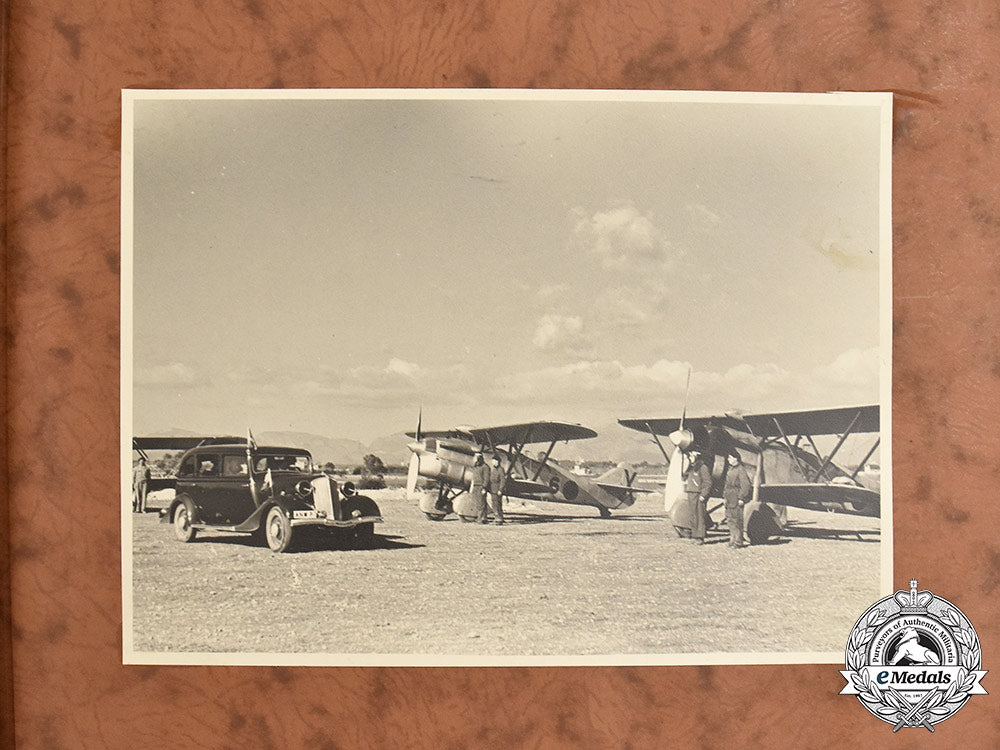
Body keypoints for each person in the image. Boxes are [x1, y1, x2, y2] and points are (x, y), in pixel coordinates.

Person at [722, 451, 751, 548]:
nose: (728, 459)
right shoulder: (731, 469)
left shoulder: (740, 470)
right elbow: (726, 485)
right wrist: (724, 497)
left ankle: (738, 541)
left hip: (736, 496)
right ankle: (732, 539)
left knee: (737, 520)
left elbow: (745, 485)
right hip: (729, 497)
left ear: (736, 458)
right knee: (730, 519)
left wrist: (742, 497)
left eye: (730, 457)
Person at [685, 451, 712, 544]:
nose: (690, 457)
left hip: (698, 494)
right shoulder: (692, 467)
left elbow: (707, 483)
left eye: (692, 456)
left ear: (697, 456)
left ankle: (700, 537)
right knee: (693, 515)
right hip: (691, 494)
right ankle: (695, 535)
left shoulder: (703, 467)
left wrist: (703, 495)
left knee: (699, 516)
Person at [486, 454, 506, 525]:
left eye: (495, 461)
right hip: (493, 489)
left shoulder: (500, 469)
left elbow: (503, 480)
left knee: (497, 504)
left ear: (498, 462)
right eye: (493, 461)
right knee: (494, 504)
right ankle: (498, 517)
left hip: (497, 489)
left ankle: (498, 519)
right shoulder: (493, 469)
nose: (494, 462)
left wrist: (500, 489)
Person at [471, 452, 490, 524]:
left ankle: (481, 518)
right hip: (476, 486)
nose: (474, 459)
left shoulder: (485, 467)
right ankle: (483, 518)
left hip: (480, 486)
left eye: (475, 457)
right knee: (477, 502)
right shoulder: (476, 466)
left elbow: (486, 478)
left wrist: (484, 488)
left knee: (481, 503)